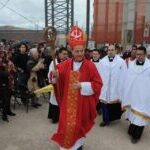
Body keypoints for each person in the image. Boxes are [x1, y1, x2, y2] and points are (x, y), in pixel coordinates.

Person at [50, 26, 103, 150]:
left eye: (82, 51)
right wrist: (55, 76)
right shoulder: (64, 65)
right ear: (72, 51)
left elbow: (98, 84)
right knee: (66, 127)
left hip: (82, 105)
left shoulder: (90, 66)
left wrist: (82, 85)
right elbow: (54, 78)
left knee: (78, 128)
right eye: (77, 51)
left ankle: (78, 147)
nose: (80, 54)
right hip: (66, 105)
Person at [121, 46, 150, 144]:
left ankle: (136, 136)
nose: (139, 56)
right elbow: (127, 80)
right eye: (137, 54)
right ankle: (132, 130)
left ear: (145, 54)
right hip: (133, 95)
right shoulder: (131, 65)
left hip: (144, 97)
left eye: (141, 54)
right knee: (132, 115)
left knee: (141, 117)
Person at [99, 45, 127, 127]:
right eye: (109, 50)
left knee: (113, 104)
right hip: (105, 86)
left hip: (115, 86)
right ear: (107, 51)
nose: (110, 51)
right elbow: (99, 74)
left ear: (116, 51)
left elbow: (124, 75)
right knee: (104, 103)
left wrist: (122, 86)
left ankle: (111, 118)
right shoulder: (102, 61)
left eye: (112, 50)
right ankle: (105, 120)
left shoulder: (121, 61)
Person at [48, 47, 68, 123]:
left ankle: (63, 117)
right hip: (56, 85)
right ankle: (55, 117)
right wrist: (53, 76)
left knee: (64, 101)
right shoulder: (54, 62)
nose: (65, 55)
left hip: (65, 85)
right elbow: (50, 72)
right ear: (59, 54)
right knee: (55, 100)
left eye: (66, 54)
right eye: (64, 54)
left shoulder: (69, 62)